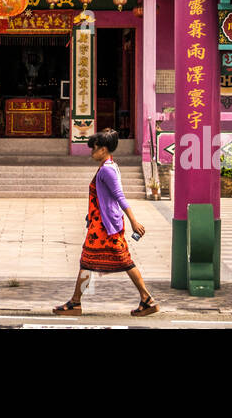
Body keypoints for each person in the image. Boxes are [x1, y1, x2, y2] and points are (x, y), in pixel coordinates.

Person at [53, 128, 157, 316]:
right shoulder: (107, 167)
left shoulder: (107, 170)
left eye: (95, 148)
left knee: (123, 261)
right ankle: (75, 302)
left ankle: (147, 299)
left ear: (104, 149)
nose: (92, 152)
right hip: (99, 225)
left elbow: (119, 196)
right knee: (88, 262)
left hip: (105, 228)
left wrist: (133, 221)